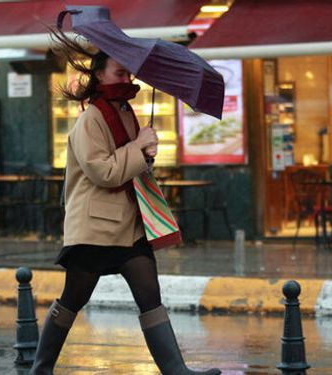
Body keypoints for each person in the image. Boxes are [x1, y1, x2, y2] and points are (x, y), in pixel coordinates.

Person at [29, 26, 221, 375]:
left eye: (129, 72)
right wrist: (137, 148)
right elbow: (104, 172)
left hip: (129, 227)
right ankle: (40, 369)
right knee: (73, 299)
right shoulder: (91, 118)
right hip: (95, 230)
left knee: (150, 294)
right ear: (99, 73)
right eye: (120, 72)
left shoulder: (125, 111)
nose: (126, 77)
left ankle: (177, 371)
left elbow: (130, 166)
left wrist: (146, 152)